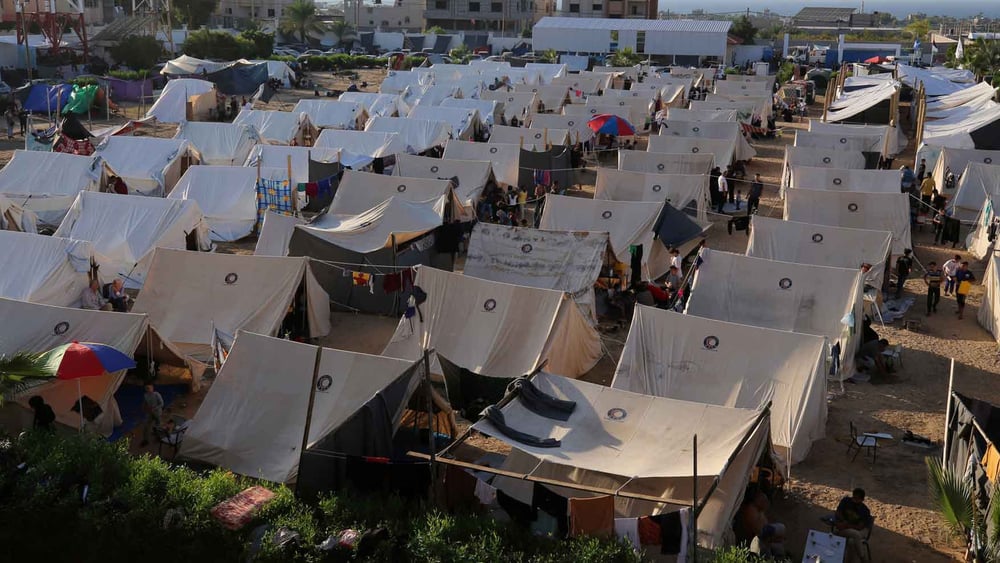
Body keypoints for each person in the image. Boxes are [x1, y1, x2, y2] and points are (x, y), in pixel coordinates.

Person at [835, 488, 873, 563]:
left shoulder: (864, 510)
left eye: (856, 499)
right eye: (853, 497)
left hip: (859, 530)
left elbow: (860, 527)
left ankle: (857, 560)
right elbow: (838, 512)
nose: (854, 500)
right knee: (854, 537)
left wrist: (846, 525)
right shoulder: (846, 501)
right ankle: (863, 559)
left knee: (852, 541)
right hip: (845, 528)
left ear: (862, 500)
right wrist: (843, 521)